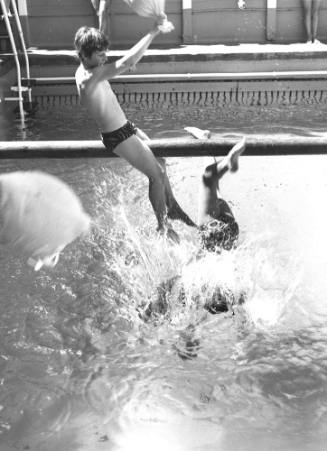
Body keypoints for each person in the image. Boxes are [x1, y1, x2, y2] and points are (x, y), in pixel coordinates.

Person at [74, 23, 195, 243]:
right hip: (117, 136)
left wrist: (114, 66)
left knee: (161, 158)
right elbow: (128, 60)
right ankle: (163, 226)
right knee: (156, 175)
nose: (104, 59)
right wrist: (153, 31)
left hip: (126, 127)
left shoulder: (88, 69)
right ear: (83, 55)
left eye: (105, 54)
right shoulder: (88, 79)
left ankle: (173, 206)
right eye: (100, 55)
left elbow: (115, 66)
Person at [143, 136, 247, 319]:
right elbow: (172, 284)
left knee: (214, 188)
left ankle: (206, 140)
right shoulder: (198, 281)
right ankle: (228, 162)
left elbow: (243, 299)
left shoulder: (231, 285)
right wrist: (155, 306)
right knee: (208, 178)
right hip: (211, 233)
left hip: (230, 232)